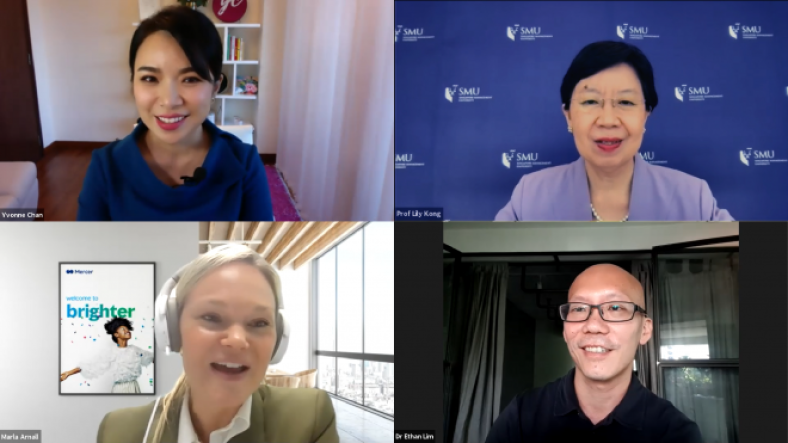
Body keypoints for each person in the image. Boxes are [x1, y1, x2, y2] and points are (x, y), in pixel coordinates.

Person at [96, 245, 339, 443]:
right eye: (211, 317)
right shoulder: (120, 432)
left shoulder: (309, 418)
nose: (237, 340)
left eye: (259, 322)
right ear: (172, 330)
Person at [495, 41, 733, 222]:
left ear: (646, 114)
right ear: (568, 114)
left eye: (626, 102)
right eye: (590, 102)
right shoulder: (530, 198)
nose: (608, 120)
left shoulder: (693, 199)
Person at [77, 6, 274, 221]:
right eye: (150, 79)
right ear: (133, 83)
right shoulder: (105, 168)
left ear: (215, 86)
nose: (169, 101)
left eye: (190, 79)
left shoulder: (244, 165)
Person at [486, 264, 702, 443]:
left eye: (615, 308)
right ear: (565, 330)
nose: (593, 325)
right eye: (579, 309)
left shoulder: (675, 432)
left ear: (644, 330)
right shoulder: (522, 417)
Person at [60, 317, 154, 393]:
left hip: (134, 387)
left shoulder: (135, 350)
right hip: (119, 389)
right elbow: (91, 365)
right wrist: (69, 373)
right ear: (116, 334)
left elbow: (152, 358)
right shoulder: (111, 352)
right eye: (123, 329)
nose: (127, 331)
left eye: (128, 329)